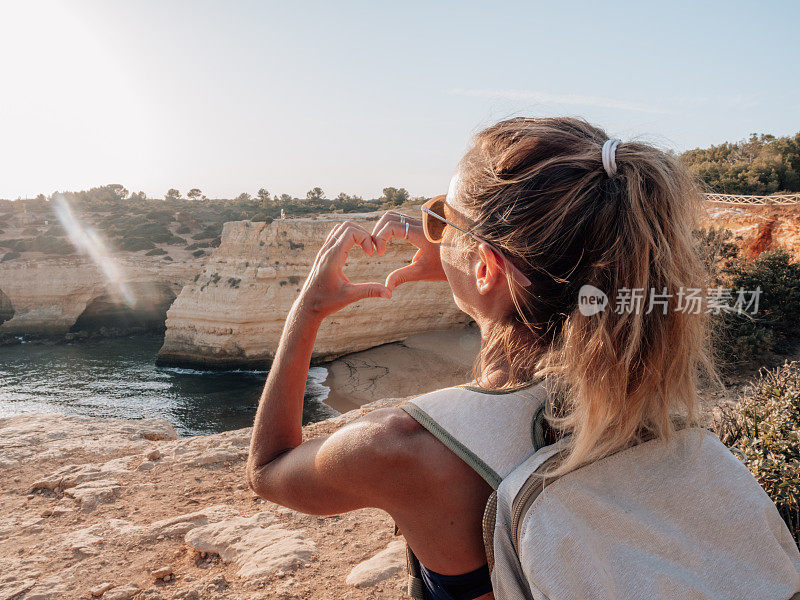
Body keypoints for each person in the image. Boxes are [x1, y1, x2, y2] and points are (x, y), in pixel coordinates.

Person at [245, 117, 758, 599]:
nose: (432, 231)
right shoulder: (636, 386)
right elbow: (540, 321)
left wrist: (306, 310)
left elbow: (268, 471)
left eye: (441, 220)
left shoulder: (403, 449)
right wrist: (463, 267)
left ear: (489, 266)